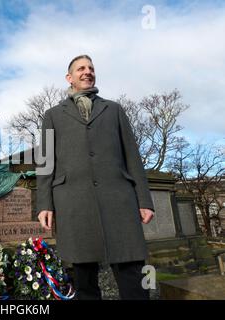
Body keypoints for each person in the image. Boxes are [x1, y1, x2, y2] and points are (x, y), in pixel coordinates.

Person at [36, 54, 155, 300]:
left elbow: (133, 156)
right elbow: (46, 163)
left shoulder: (115, 109)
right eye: (81, 68)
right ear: (69, 77)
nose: (87, 71)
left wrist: (144, 199)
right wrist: (44, 203)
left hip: (118, 200)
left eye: (91, 68)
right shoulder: (52, 115)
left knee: (133, 277)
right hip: (73, 203)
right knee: (84, 282)